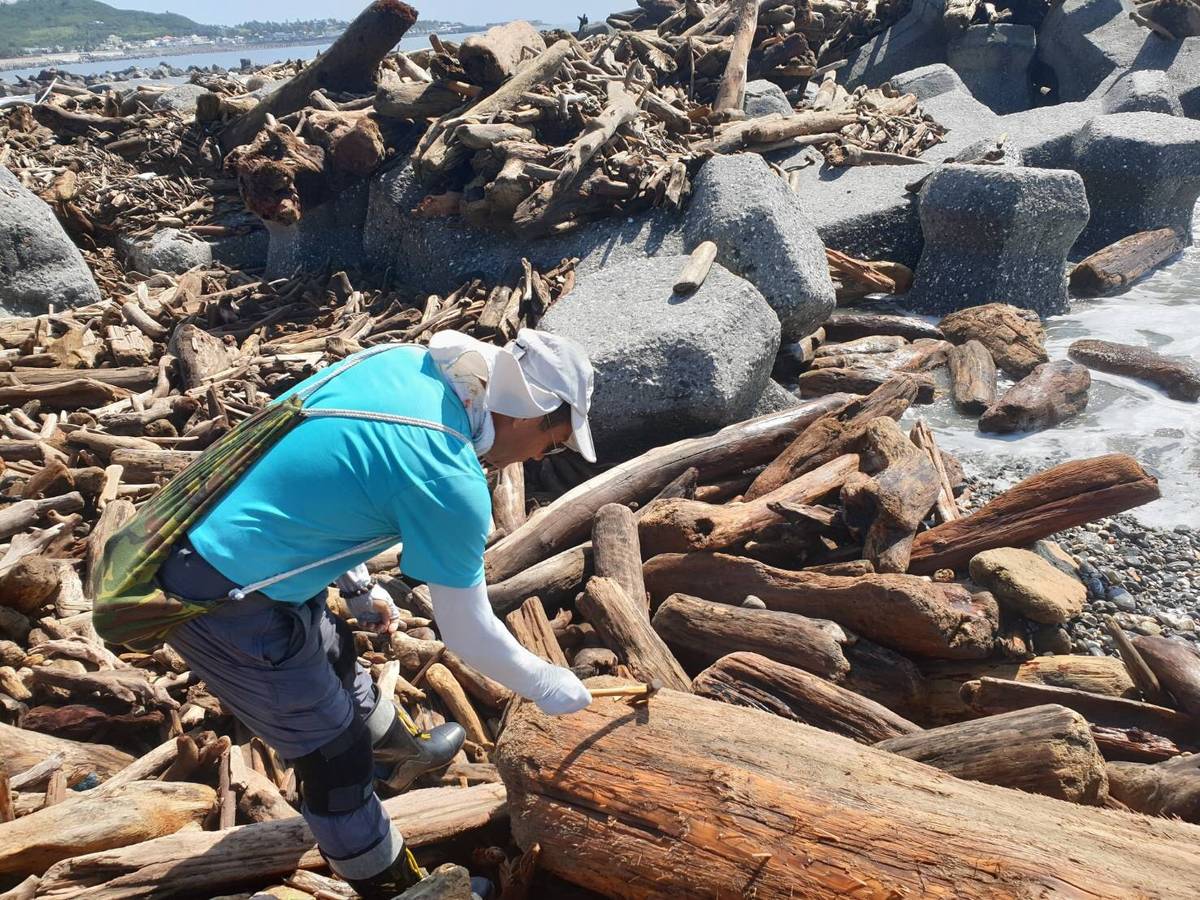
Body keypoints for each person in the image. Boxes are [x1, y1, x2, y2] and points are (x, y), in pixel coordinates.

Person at [156, 329, 596, 896]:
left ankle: (397, 756)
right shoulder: (450, 475)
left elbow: (325, 465)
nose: (541, 457)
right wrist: (543, 681)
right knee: (334, 764)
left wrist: (359, 587)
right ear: (528, 416)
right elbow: (466, 629)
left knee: (333, 644)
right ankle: (395, 886)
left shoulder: (406, 364)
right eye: (553, 443)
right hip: (219, 596)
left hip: (227, 529)